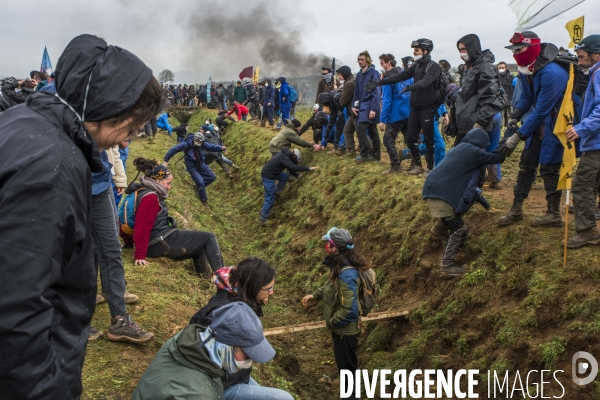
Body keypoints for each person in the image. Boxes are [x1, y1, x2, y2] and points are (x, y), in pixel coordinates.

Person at [0, 34, 164, 400]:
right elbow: (15, 308)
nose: (126, 142)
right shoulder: (52, 166)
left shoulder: (22, 120)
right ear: (109, 106)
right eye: (131, 128)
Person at [188, 258, 293, 400]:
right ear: (254, 287)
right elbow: (205, 363)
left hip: (235, 377)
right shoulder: (224, 315)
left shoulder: (236, 301)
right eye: (268, 289)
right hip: (219, 387)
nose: (272, 292)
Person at [131, 302, 279, 400]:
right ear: (225, 347)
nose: (250, 361)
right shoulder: (196, 395)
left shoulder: (190, 341)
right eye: (246, 354)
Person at [496, 31, 570, 227]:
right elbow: (527, 96)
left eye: (520, 49)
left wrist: (518, 136)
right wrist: (515, 116)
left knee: (549, 166)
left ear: (533, 48)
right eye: (514, 50)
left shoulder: (552, 73)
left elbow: (541, 109)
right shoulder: (525, 69)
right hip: (538, 121)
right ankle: (516, 208)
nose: (516, 54)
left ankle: (553, 213)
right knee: (526, 164)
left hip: (555, 122)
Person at [90, 148, 154, 343]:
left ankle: (120, 319)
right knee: (77, 252)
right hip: (67, 183)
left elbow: (114, 151)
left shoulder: (109, 140)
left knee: (111, 249)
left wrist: (118, 176)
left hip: (99, 183)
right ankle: (73, 319)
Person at [423, 129, 505, 277]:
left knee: (452, 219)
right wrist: (509, 140)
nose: (483, 150)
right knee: (459, 231)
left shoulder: (458, 149)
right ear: (480, 143)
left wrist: (483, 202)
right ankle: (446, 265)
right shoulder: (473, 152)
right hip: (443, 196)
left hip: (432, 189)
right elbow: (497, 157)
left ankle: (439, 228)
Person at [120, 158, 224, 275]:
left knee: (198, 246)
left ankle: (206, 280)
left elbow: (122, 216)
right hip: (158, 242)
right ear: (158, 180)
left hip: (157, 239)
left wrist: (128, 242)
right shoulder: (151, 198)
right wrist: (140, 255)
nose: (169, 187)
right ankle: (224, 279)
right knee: (209, 238)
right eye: (168, 183)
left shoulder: (139, 190)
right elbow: (142, 226)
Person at [302, 227, 368, 400]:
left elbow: (350, 310)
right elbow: (330, 286)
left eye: (328, 244)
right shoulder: (339, 266)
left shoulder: (347, 274)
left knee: (347, 368)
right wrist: (315, 296)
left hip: (345, 332)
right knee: (344, 366)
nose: (326, 247)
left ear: (335, 248)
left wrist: (332, 321)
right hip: (340, 330)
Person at [367, 39, 443, 176]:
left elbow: (426, 82)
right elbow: (400, 76)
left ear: (425, 51)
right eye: (414, 50)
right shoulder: (417, 66)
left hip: (427, 108)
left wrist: (410, 88)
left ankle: (430, 169)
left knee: (429, 139)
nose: (414, 53)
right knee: (411, 138)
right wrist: (379, 82)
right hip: (413, 109)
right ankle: (418, 167)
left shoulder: (433, 67)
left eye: (417, 50)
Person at [454, 34, 504, 189]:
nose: (462, 52)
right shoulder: (469, 68)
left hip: (481, 117)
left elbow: (488, 96)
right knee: (469, 152)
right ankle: (471, 185)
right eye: (460, 50)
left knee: (477, 152)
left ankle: (477, 187)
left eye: (464, 49)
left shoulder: (485, 67)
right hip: (468, 118)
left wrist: (480, 122)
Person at [564, 34, 600, 248]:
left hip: (596, 142)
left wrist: (581, 128)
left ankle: (587, 232)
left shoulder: (598, 73)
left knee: (582, 185)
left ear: (596, 55)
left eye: (582, 56)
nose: (579, 61)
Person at [164, 132, 225, 207]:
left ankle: (198, 186)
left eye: (201, 142)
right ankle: (204, 200)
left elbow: (210, 146)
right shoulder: (186, 144)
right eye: (198, 142)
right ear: (195, 140)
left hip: (201, 163)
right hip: (192, 166)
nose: (200, 143)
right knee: (200, 181)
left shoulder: (202, 143)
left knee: (212, 177)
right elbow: (174, 149)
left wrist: (221, 148)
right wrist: (166, 160)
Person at [259, 148, 318, 227]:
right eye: (296, 161)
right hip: (268, 176)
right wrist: (307, 168)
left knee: (285, 176)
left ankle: (276, 192)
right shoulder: (284, 157)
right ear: (294, 157)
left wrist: (296, 175)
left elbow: (289, 167)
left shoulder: (285, 156)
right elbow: (293, 167)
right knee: (269, 198)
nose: (295, 163)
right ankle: (263, 219)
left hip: (273, 173)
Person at [379, 54, 412, 174]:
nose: (381, 66)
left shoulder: (388, 79)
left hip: (395, 114)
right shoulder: (406, 75)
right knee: (410, 139)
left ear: (388, 63)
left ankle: (395, 165)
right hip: (407, 112)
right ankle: (415, 164)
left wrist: (382, 120)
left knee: (388, 139)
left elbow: (386, 100)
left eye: (382, 63)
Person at [352, 51, 381, 163]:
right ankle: (376, 156)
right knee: (372, 130)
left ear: (367, 60)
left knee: (360, 128)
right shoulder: (359, 75)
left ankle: (364, 154)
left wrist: (373, 109)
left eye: (362, 59)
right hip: (362, 105)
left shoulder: (374, 73)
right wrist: (354, 105)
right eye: (359, 60)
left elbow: (376, 92)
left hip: (370, 105)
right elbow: (356, 92)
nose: (360, 62)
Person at [337, 65, 358, 157]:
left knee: (360, 132)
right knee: (347, 130)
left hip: (355, 112)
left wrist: (340, 98)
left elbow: (343, 101)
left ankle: (369, 151)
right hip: (353, 112)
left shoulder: (349, 83)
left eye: (340, 74)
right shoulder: (353, 80)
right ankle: (351, 151)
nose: (338, 76)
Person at [497, 61, 515, 126]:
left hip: (509, 100)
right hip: (500, 101)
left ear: (506, 68)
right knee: (501, 120)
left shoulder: (511, 77)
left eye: (502, 67)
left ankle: (510, 131)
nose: (500, 69)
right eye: (499, 68)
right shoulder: (496, 77)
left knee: (510, 118)